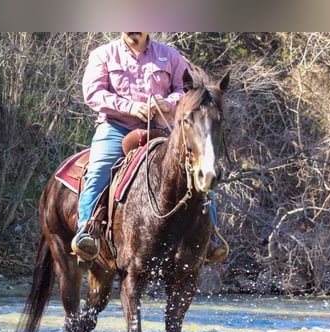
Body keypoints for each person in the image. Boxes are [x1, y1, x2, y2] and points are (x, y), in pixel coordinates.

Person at [72, 32, 227, 264]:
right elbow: (93, 94)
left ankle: (210, 237)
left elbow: (187, 90)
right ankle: (87, 232)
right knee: (98, 170)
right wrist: (130, 107)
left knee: (200, 170)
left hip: (163, 128)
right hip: (117, 128)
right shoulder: (103, 55)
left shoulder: (171, 56)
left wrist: (169, 103)